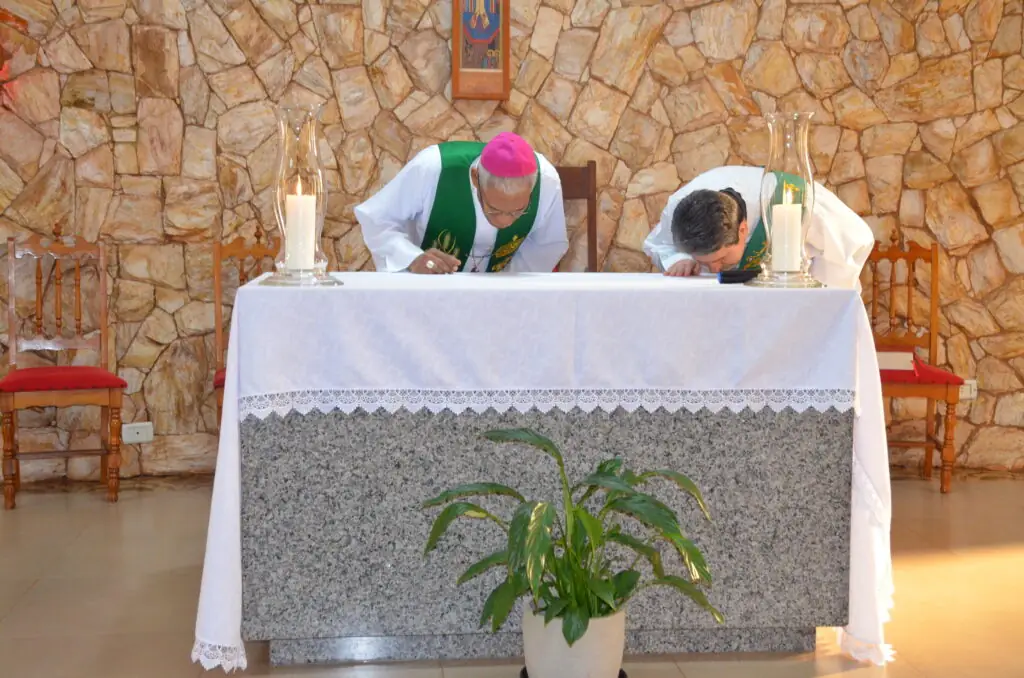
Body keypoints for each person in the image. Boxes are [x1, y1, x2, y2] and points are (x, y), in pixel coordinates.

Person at [355, 133, 568, 274]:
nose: (504, 221)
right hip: (429, 293)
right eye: (494, 209)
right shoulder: (434, 169)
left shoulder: (547, 182)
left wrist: (504, 288)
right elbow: (377, 220)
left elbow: (546, 246)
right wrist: (412, 258)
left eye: (518, 211)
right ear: (475, 178)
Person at [643, 166, 875, 289]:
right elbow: (657, 243)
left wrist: (813, 291)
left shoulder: (792, 199)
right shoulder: (681, 209)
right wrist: (677, 259)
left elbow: (855, 237)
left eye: (722, 259)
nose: (715, 269)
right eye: (706, 262)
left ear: (743, 229)